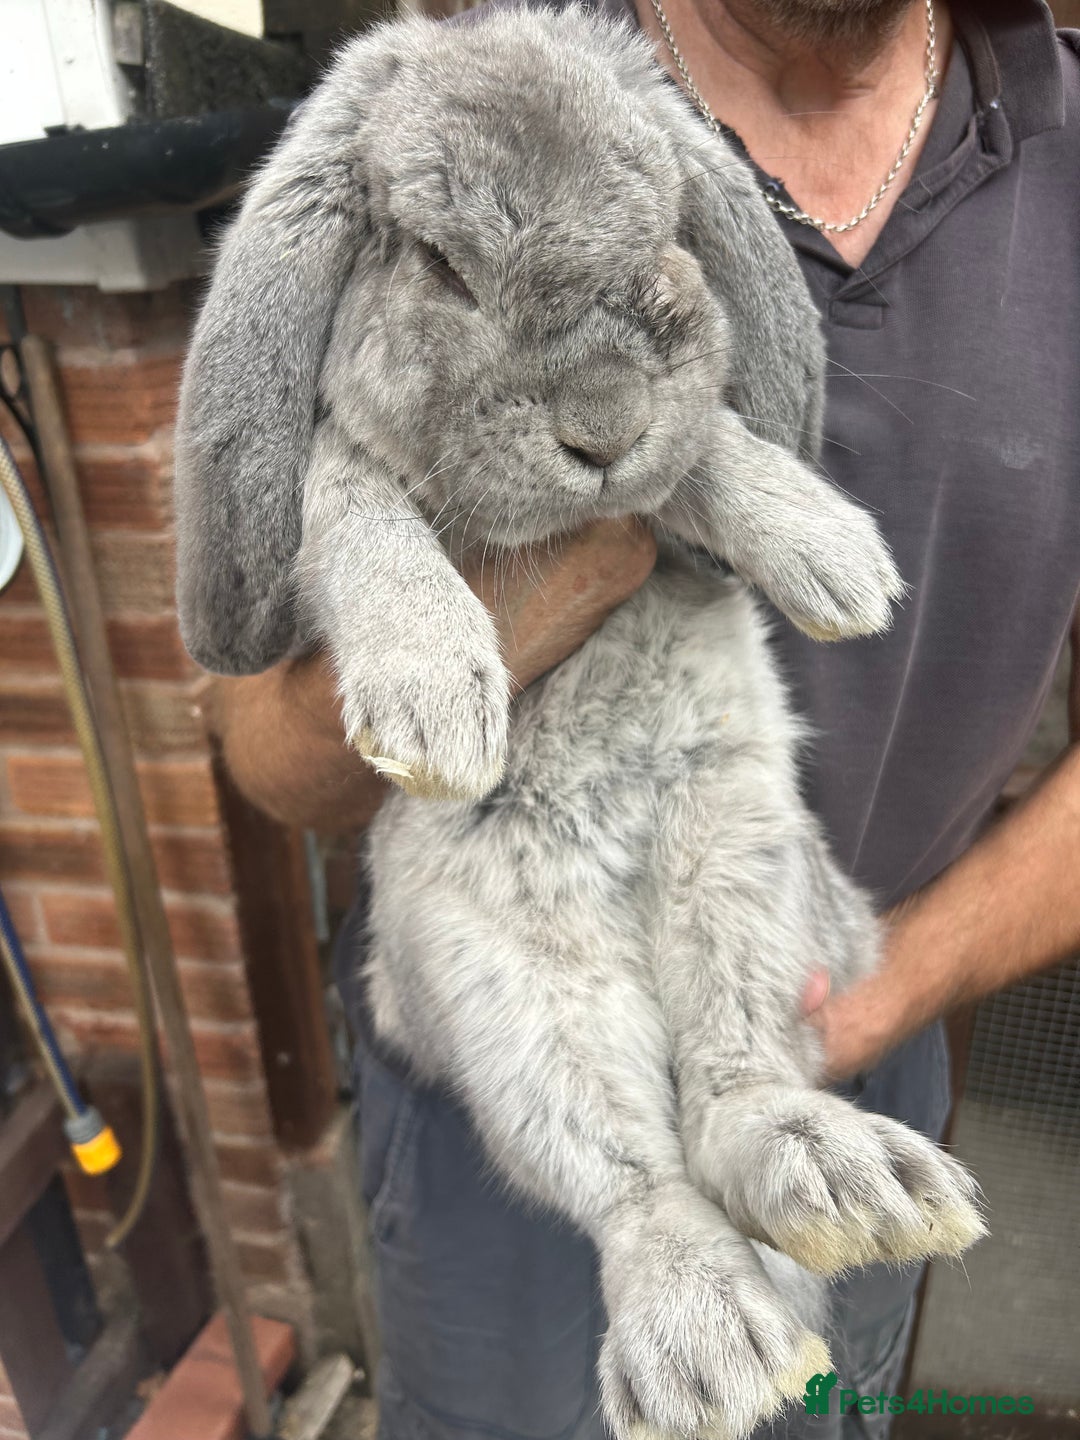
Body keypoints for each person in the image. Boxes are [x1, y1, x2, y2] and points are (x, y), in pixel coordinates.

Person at [210, 0, 1080, 1435]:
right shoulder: (501, 93)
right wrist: (504, 600)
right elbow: (263, 750)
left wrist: (874, 996)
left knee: (815, 1402)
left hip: (851, 1029)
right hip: (495, 1063)